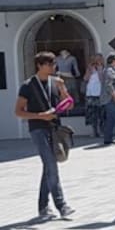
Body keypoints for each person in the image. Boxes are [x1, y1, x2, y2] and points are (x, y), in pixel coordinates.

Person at [15, 51, 75, 219]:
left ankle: (43, 207)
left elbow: (69, 104)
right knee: (51, 166)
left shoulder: (55, 83)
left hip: (54, 128)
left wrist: (63, 90)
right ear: (39, 65)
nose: (53, 67)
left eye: (54, 64)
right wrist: (41, 115)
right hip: (38, 129)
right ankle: (62, 205)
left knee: (49, 167)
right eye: (49, 64)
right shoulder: (28, 86)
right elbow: (18, 112)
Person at [83, 54, 104, 137]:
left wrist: (99, 70)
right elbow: (85, 78)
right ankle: (94, 131)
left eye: (99, 60)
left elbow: (102, 80)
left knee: (101, 114)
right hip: (90, 93)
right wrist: (89, 70)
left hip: (99, 93)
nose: (97, 62)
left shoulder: (104, 68)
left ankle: (101, 131)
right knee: (91, 114)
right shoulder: (90, 69)